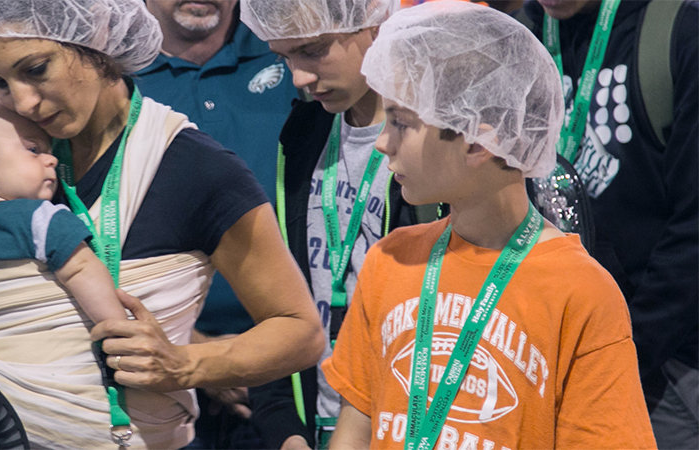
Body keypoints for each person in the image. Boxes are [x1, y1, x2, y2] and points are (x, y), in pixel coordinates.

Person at [0, 0, 325, 446]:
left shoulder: (195, 169)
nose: (23, 101)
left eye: (37, 69)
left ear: (96, 36)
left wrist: (187, 365)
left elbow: (299, 330)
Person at [323, 2, 654, 448]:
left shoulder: (581, 292)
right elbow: (358, 419)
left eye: (402, 123)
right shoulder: (389, 259)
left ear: (479, 141)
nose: (383, 143)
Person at [240, 0, 432, 447]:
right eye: (284, 58)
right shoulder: (304, 132)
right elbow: (287, 298)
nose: (300, 78)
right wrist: (285, 430)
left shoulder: (437, 146)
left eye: (312, 50)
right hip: (317, 424)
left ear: (372, 20)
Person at [515, 1, 698, 447]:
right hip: (542, 358)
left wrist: (617, 357)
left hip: (661, 364)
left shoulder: (676, 32)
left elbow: (693, 230)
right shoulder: (523, 35)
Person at [0, 100, 145, 447]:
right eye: (33, 150)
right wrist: (118, 332)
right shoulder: (42, 217)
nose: (51, 159)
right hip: (53, 385)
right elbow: (83, 270)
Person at [133, 2, 300, 445]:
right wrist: (197, 346)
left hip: (300, 366)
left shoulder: (293, 51)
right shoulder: (115, 74)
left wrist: (273, 348)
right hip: (155, 367)